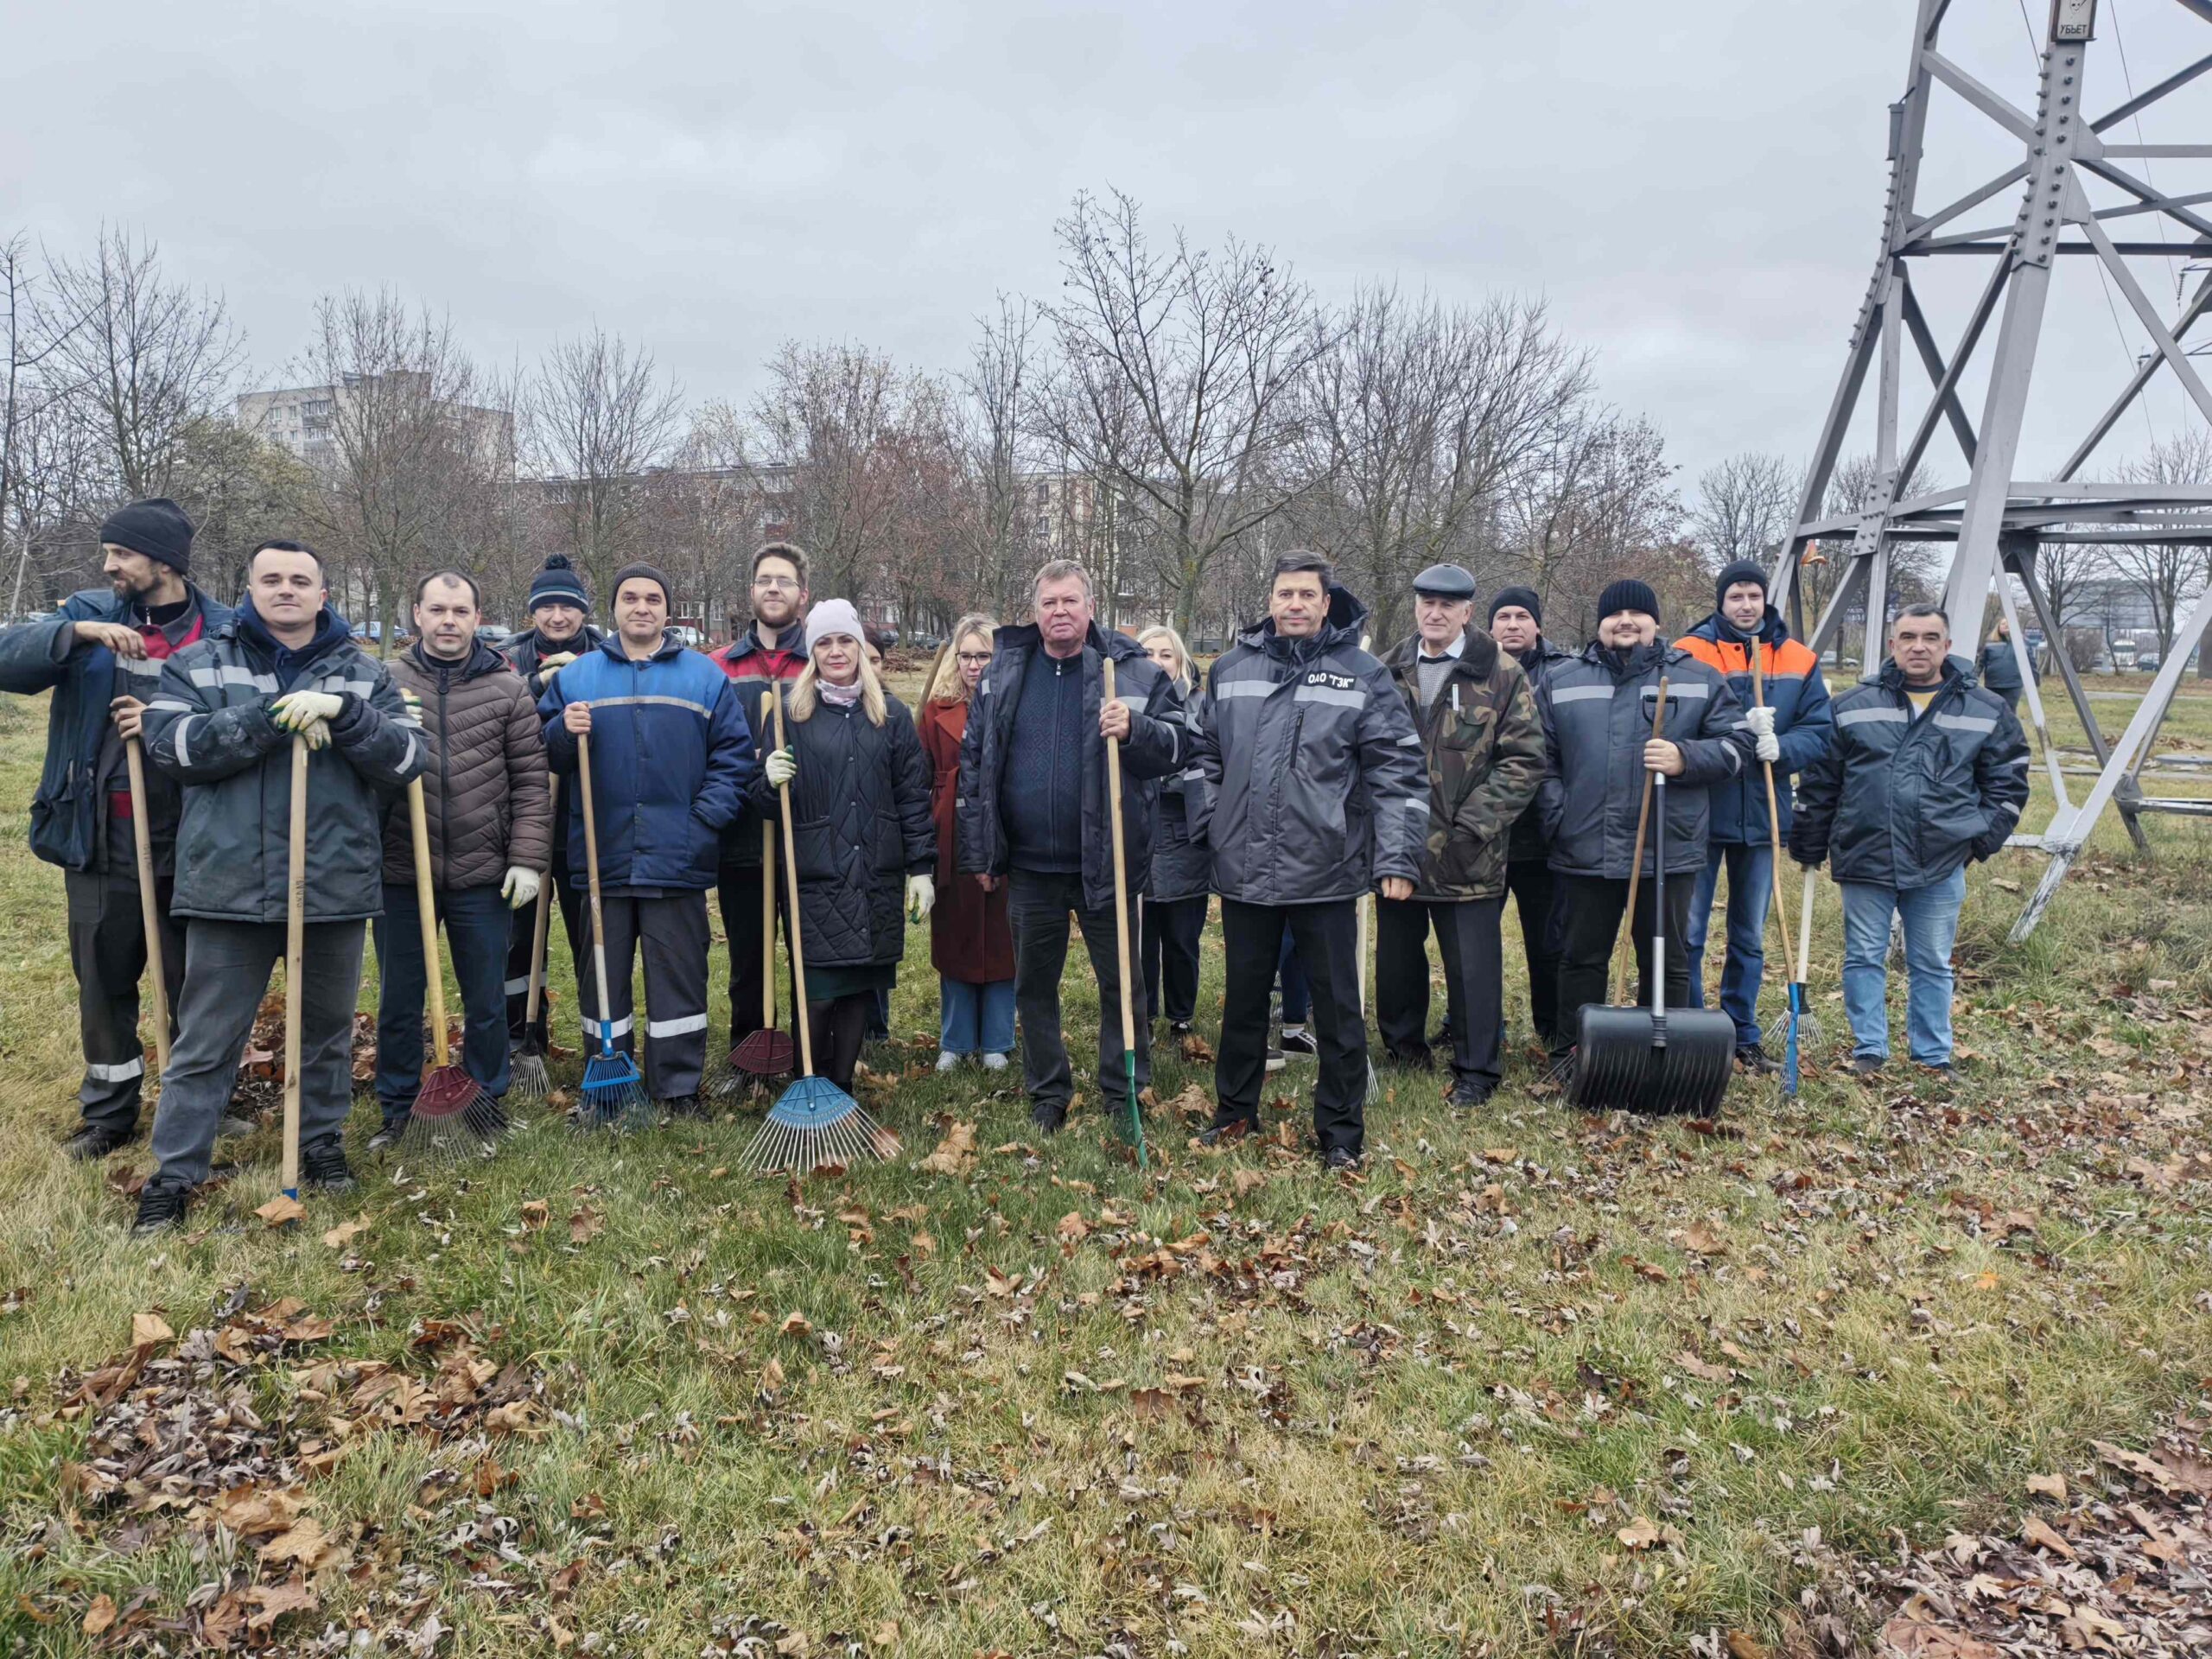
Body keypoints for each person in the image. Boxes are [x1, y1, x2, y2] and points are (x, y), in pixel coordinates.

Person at [130, 540, 424, 1233]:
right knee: (207, 1039)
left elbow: (409, 759)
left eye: (300, 579)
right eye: (272, 579)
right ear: (250, 589)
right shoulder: (200, 664)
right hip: (227, 884)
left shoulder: (364, 675)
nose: (286, 589)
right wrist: (266, 720)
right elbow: (171, 747)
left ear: (323, 594)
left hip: (333, 883)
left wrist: (345, 716)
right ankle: (176, 1173)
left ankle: (319, 1142)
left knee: (325, 1033)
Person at [0, 499, 235, 1160]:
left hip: (200, 839)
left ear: (165, 562)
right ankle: (109, 1113)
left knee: (200, 982)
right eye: (108, 552)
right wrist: (78, 635)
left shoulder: (224, 630)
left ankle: (200, 1104)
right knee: (104, 979)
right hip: (103, 836)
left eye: (122, 553)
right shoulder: (86, 613)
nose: (109, 565)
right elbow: (6, 660)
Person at [1192, 552, 1425, 1168]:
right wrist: (1213, 823)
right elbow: (1203, 755)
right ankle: (1234, 1113)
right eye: (1284, 593)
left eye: (1306, 595)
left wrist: (1397, 857)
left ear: (1326, 603)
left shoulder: (1363, 674)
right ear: (1270, 601)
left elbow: (1398, 771)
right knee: (1244, 1003)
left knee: (1339, 1010)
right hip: (1244, 869)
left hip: (1327, 869)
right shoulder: (1231, 669)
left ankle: (1341, 1134)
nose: (1294, 604)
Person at [957, 560, 1185, 1135]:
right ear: (1035, 610)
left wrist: (1137, 730)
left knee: (1121, 983)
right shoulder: (1004, 671)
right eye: (1049, 602)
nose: (1059, 611)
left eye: (1070, 601)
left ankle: (1123, 1089)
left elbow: (1183, 744)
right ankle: (1048, 1092)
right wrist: (982, 851)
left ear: (1091, 606)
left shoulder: (1131, 672)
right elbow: (975, 762)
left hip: (1106, 860)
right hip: (1031, 867)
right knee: (1034, 985)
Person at [538, 563, 753, 1116]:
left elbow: (733, 758)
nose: (641, 607)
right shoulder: (578, 678)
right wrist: (561, 730)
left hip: (677, 856)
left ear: (667, 609)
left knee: (678, 978)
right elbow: (542, 752)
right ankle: (608, 1080)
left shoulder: (703, 677)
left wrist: (702, 822)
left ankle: (676, 1087)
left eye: (652, 598)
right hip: (602, 855)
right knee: (601, 978)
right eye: (630, 597)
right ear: (613, 608)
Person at [1790, 604, 2029, 1076]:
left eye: (1930, 638)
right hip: (1865, 851)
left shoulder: (1985, 709)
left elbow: (2009, 781)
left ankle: (1933, 1055)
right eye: (1908, 637)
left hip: (1941, 858)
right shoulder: (1852, 706)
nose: (1919, 647)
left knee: (1933, 962)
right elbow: (1821, 782)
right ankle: (1869, 1050)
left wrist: (1977, 839)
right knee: (1863, 956)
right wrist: (1809, 841)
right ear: (1892, 645)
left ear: (1947, 646)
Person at [369, 571, 551, 1148]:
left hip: (483, 873)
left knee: (486, 999)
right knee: (400, 999)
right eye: (438, 609)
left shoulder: (508, 689)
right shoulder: (385, 682)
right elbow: (364, 774)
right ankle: (398, 1107)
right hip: (402, 871)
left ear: (477, 617)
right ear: (417, 614)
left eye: (460, 611)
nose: (448, 621)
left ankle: (485, 1099)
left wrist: (526, 859)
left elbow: (531, 783)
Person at [1537, 578, 1751, 1064]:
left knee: (1667, 961)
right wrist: (1559, 816)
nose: (1626, 622)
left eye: (1637, 614)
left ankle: (1663, 1059)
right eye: (1615, 614)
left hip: (1666, 849)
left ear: (1656, 622)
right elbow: (1540, 759)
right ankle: (1576, 1055)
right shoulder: (1562, 679)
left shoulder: (1697, 678)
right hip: (1584, 845)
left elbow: (1739, 747)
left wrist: (1685, 757)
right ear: (1600, 624)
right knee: (1580, 958)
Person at [1376, 564, 1546, 1106]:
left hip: (1468, 852)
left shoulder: (1501, 673)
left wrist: (1473, 825)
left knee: (1472, 968)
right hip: (1400, 847)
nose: (1435, 613)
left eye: (1447, 605)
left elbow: (1524, 760)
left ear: (1468, 612)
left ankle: (1476, 1069)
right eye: (1427, 603)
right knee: (1397, 962)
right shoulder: (1388, 669)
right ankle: (1403, 1050)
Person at [753, 600, 935, 1090]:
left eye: (845, 641)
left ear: (859, 646)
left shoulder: (891, 715)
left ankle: (842, 1089)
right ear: (812, 652)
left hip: (875, 870)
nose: (836, 651)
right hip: (817, 871)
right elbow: (766, 807)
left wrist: (921, 868)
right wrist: (768, 781)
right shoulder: (790, 713)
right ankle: (808, 1086)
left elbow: (912, 795)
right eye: (825, 643)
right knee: (817, 992)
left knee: (858, 987)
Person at [1674, 559, 1834, 1072]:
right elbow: (1672, 722)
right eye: (1736, 596)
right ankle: (1692, 1027)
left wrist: (1781, 748)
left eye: (1753, 596)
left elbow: (1821, 730)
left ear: (1766, 600)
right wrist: (1735, 732)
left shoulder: (1797, 658)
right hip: (1701, 810)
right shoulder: (1690, 652)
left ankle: (1741, 1030)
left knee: (1749, 934)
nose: (1746, 605)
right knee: (1690, 930)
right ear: (1721, 602)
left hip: (1763, 813)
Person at [500, 553, 603, 1058]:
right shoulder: (509, 660)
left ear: (584, 610)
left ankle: (599, 1036)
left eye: (567, 606)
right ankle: (521, 1035)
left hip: (587, 820)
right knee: (519, 939)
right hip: (523, 822)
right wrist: (536, 686)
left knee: (591, 936)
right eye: (547, 607)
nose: (557, 617)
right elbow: (490, 710)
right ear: (533, 611)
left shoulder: (605, 655)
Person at [709, 542, 810, 1054]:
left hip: (807, 839)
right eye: (765, 580)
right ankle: (748, 1051)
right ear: (751, 591)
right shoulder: (718, 667)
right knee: (748, 958)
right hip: (742, 838)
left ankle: (811, 1053)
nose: (773, 588)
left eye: (784, 581)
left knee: (808, 955)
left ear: (802, 594)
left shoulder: (821, 661)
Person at [918, 615, 1015, 1070]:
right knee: (955, 933)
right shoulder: (936, 709)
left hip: (1004, 829)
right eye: (966, 656)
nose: (974, 665)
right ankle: (956, 1040)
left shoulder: (1015, 703)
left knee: (1002, 937)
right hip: (951, 833)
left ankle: (997, 1038)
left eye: (984, 656)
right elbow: (919, 775)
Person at [1485, 587, 1573, 1051]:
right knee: (1476, 941)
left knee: (1548, 939)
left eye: (1523, 616)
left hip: (1543, 833)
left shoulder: (1563, 672)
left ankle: (1553, 1025)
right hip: (1488, 831)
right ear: (1490, 626)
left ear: (1538, 625)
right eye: (1504, 616)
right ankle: (1477, 1022)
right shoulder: (1476, 668)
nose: (1513, 624)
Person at [1135, 625, 1207, 1038]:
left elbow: (1208, 762)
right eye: (1149, 653)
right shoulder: (1128, 702)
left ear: (1181, 662)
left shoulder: (1201, 706)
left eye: (1166, 654)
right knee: (1142, 938)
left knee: (1182, 939)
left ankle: (1181, 1015)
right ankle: (1142, 1014)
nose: (1158, 662)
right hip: (1139, 838)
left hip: (1185, 841)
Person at [1979, 614, 2027, 714]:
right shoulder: (1989, 644)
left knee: (2009, 712)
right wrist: (1973, 677)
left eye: (2009, 624)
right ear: (1998, 627)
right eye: (2003, 623)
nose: (2006, 625)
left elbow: (2030, 662)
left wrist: (2035, 679)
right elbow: (1980, 663)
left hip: (2013, 685)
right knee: (1992, 712)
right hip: (1993, 684)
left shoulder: (2021, 644)